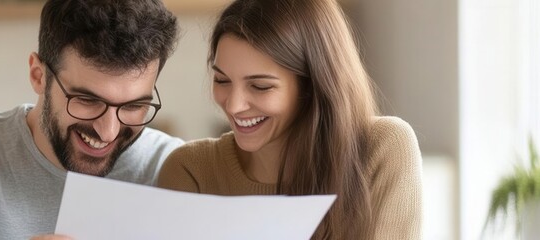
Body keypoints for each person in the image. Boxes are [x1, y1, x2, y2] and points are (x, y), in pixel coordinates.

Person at [0, 0, 182, 239]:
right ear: (38, 76)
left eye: (134, 106)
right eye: (87, 100)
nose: (108, 131)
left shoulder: (173, 166)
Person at [157, 0, 422, 239]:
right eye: (222, 80)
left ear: (313, 86)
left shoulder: (383, 148)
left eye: (260, 86)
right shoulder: (191, 171)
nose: (234, 105)